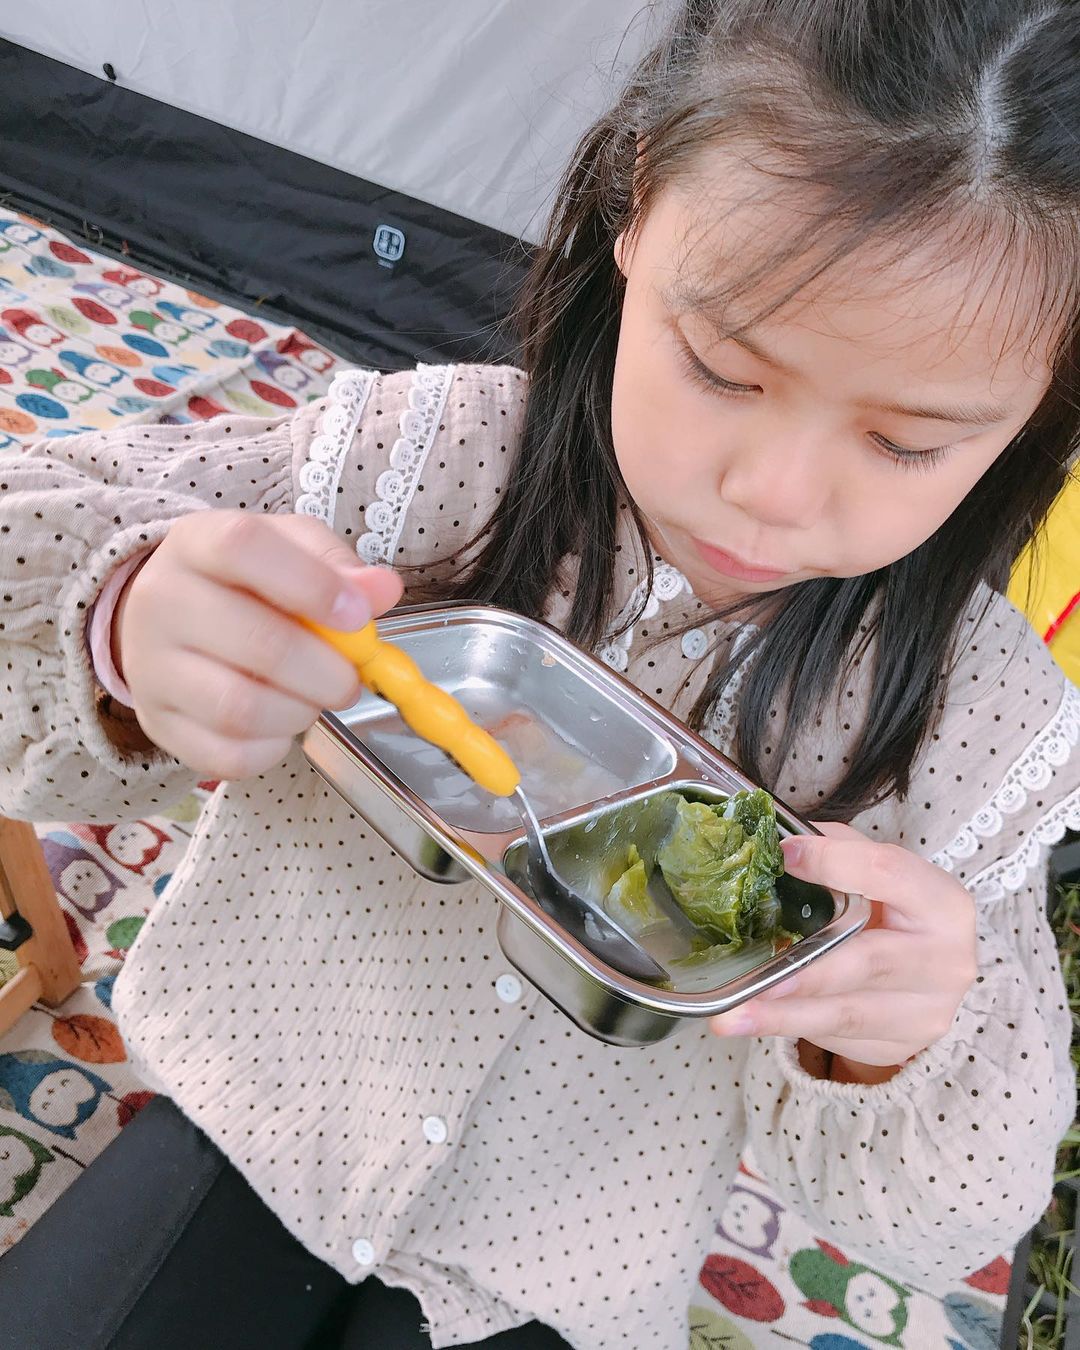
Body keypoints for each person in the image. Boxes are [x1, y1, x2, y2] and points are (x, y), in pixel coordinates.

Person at [0, 1, 1077, 1346]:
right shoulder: (419, 463)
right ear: (637, 199)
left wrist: (908, 1034)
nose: (772, 493)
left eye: (906, 442)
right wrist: (125, 617)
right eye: (720, 366)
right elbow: (32, 556)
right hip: (254, 1123)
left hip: (557, 1278)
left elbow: (952, 1215)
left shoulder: (984, 731)